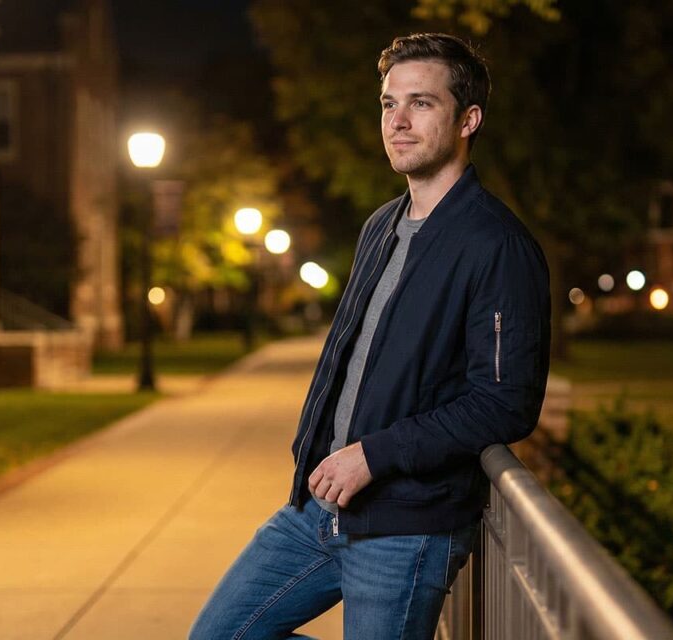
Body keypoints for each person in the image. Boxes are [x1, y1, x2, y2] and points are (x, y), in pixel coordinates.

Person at [190, 32, 550, 640]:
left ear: (470, 119)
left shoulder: (497, 245)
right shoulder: (382, 224)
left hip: (407, 527)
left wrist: (373, 456)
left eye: (422, 103)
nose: (398, 121)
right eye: (388, 104)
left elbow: (504, 402)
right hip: (319, 513)